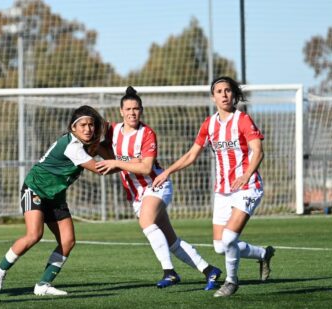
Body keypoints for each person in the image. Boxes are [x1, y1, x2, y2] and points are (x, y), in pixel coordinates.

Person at [153, 76, 275, 297]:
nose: (224, 94)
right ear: (213, 97)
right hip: (223, 191)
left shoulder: (243, 120)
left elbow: (258, 151)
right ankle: (263, 254)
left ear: (233, 94)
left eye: (228, 90)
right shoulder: (209, 124)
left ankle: (231, 281)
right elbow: (192, 154)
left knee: (229, 239)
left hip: (248, 187)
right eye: (219, 91)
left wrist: (246, 175)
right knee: (220, 246)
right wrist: (168, 171)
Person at [95, 86, 222, 290]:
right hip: (137, 194)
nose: (132, 113)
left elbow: (145, 168)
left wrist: (117, 163)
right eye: (128, 109)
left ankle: (169, 273)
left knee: (146, 222)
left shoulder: (147, 134)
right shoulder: (112, 130)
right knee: (172, 242)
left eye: (136, 109)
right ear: (121, 111)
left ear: (141, 110)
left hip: (156, 185)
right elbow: (93, 126)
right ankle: (209, 270)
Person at [0, 105, 105, 296]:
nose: (88, 129)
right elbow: (100, 168)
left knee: (67, 241)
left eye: (91, 125)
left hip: (55, 196)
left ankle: (43, 285)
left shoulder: (87, 144)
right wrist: (132, 165)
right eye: (83, 125)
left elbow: (108, 154)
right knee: (34, 234)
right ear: (73, 128)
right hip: (35, 188)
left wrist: (112, 150)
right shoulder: (72, 146)